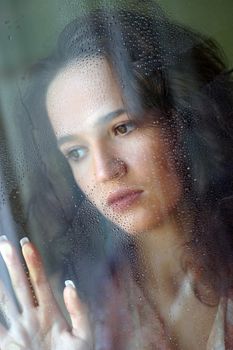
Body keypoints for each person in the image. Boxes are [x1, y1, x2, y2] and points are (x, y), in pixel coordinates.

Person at [0, 3, 233, 349]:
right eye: (76, 153)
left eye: (122, 127)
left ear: (182, 121)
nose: (104, 172)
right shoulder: (67, 307)